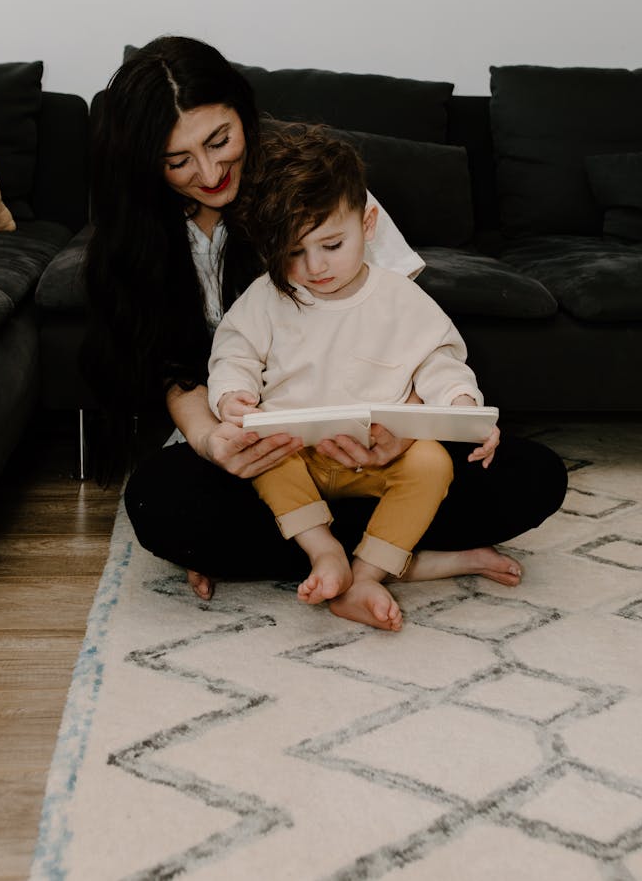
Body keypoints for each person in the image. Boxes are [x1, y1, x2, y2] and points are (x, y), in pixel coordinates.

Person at [83, 35, 568, 608]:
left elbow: (406, 336)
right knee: (161, 504)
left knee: (531, 475)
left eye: (220, 141)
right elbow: (178, 370)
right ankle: (394, 559)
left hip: (378, 448)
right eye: (178, 160)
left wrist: (403, 429)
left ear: (244, 114)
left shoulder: (317, 189)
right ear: (146, 163)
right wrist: (215, 441)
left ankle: (300, 553)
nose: (210, 172)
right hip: (267, 453)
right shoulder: (142, 236)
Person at [208, 126, 499, 631]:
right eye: (292, 253)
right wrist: (233, 395)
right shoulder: (266, 296)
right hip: (295, 455)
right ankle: (325, 552)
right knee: (263, 458)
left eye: (331, 244)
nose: (314, 267)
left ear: (368, 223)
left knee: (432, 463)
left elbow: (440, 361)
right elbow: (234, 350)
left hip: (378, 460)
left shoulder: (400, 298)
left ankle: (366, 575)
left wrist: (463, 406)